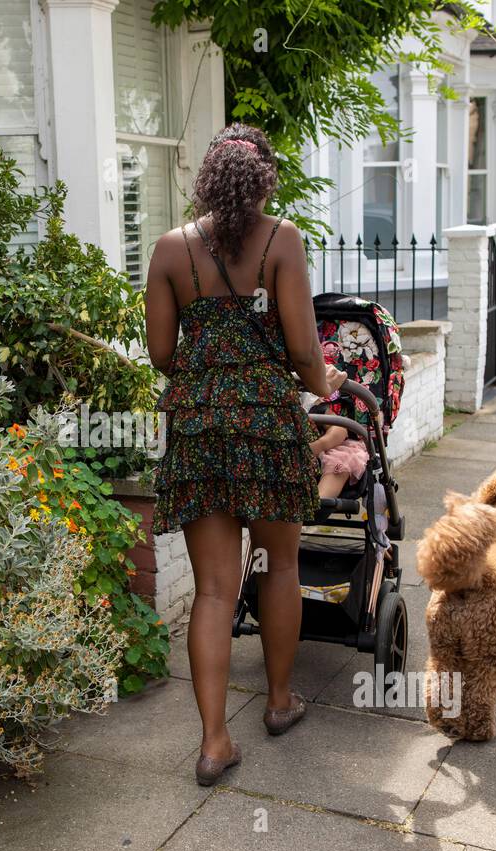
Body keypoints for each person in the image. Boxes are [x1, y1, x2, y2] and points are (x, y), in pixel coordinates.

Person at [145, 124, 347, 786]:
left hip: (200, 430)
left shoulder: (171, 249)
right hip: (266, 427)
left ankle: (212, 743)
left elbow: (162, 354)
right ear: (264, 181)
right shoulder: (281, 240)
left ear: (207, 177)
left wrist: (210, 368)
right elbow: (301, 348)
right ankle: (281, 702)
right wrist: (325, 385)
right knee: (279, 565)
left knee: (211, 589)